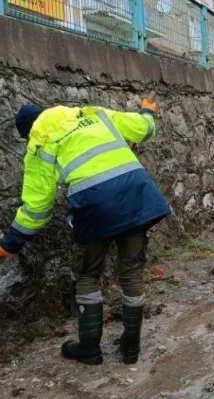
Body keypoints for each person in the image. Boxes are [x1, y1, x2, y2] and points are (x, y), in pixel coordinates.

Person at [0, 98, 171, 365]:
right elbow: (145, 128)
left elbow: (37, 206)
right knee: (131, 271)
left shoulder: (40, 141)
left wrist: (10, 243)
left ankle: (90, 348)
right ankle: (130, 348)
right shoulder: (94, 113)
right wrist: (148, 109)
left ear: (30, 130)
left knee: (89, 274)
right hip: (137, 194)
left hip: (95, 206)